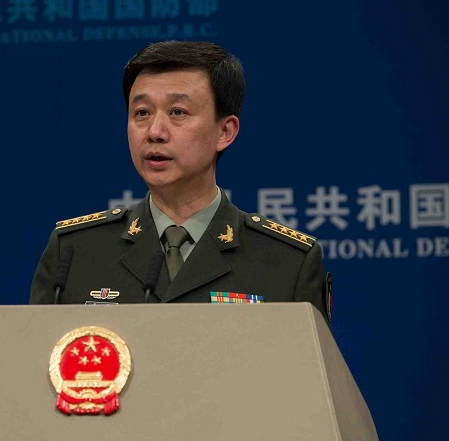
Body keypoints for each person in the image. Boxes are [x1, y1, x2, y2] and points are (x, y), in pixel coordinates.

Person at [29, 41, 330, 324]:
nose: (155, 132)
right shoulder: (74, 251)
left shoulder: (288, 262)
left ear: (225, 132)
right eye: (142, 113)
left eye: (178, 112)